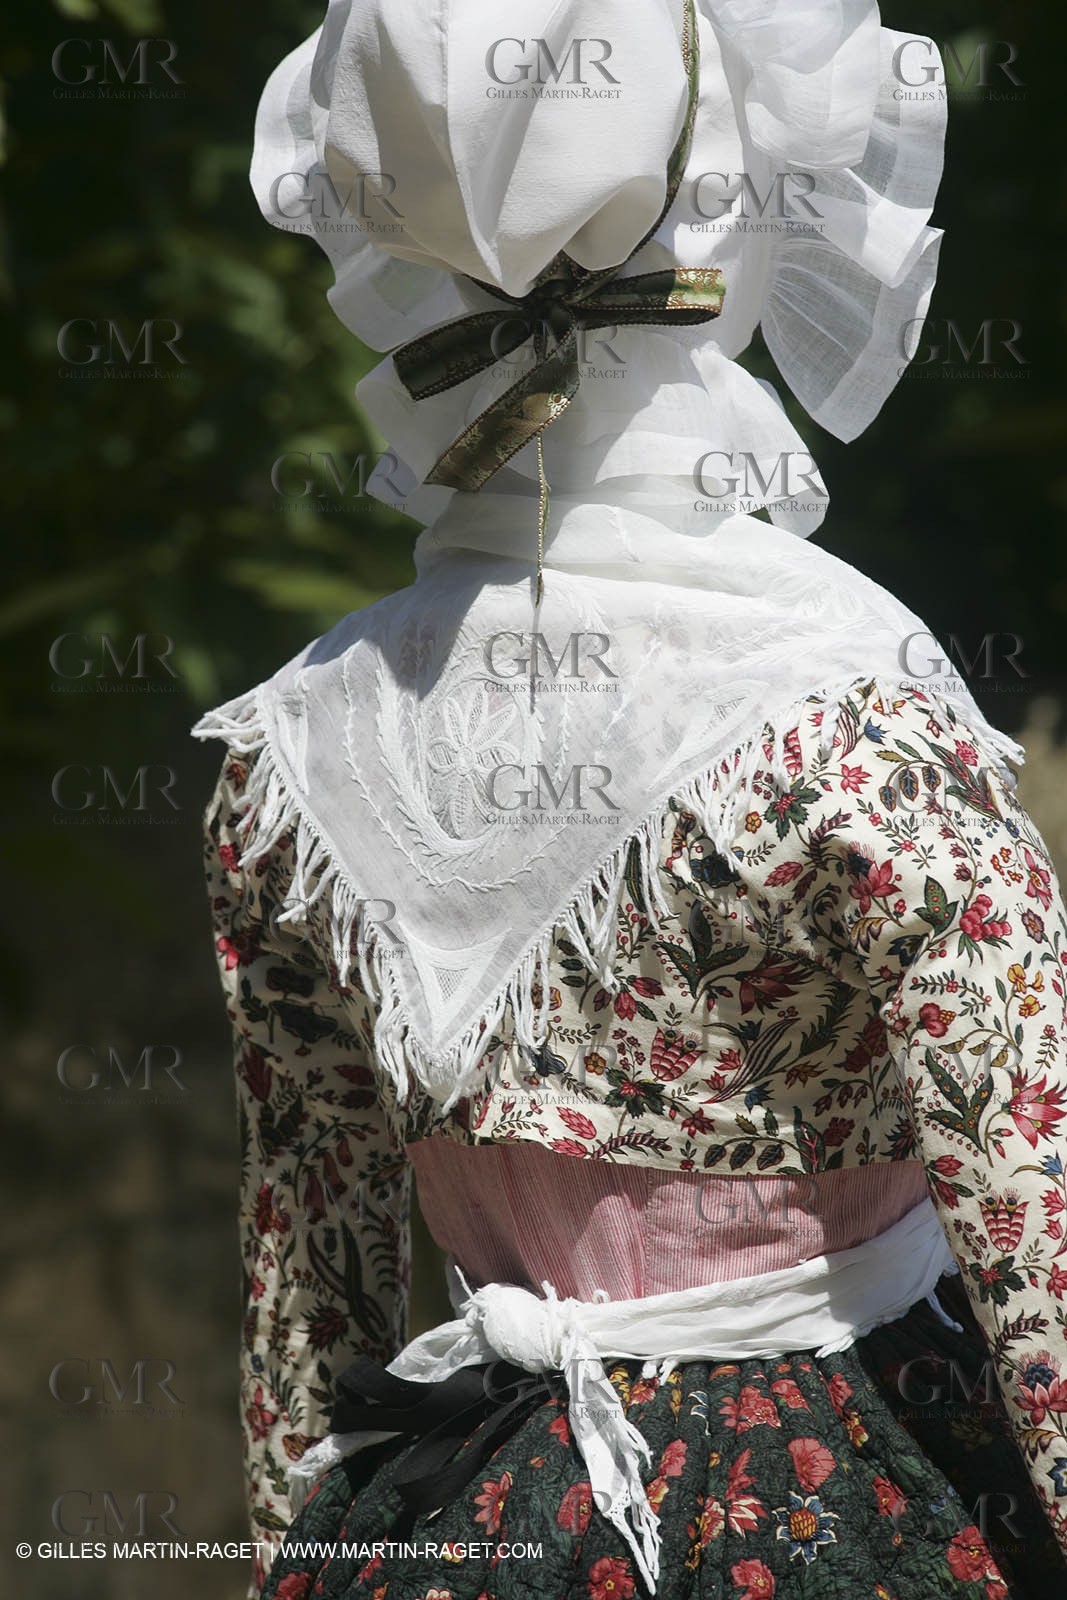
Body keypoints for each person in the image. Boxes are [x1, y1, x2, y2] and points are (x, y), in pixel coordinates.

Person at [195, 2, 1067, 1595]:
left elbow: (307, 1300)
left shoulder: (297, 756)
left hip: (465, 1516)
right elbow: (1040, 1230)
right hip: (852, 1498)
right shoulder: (850, 720)